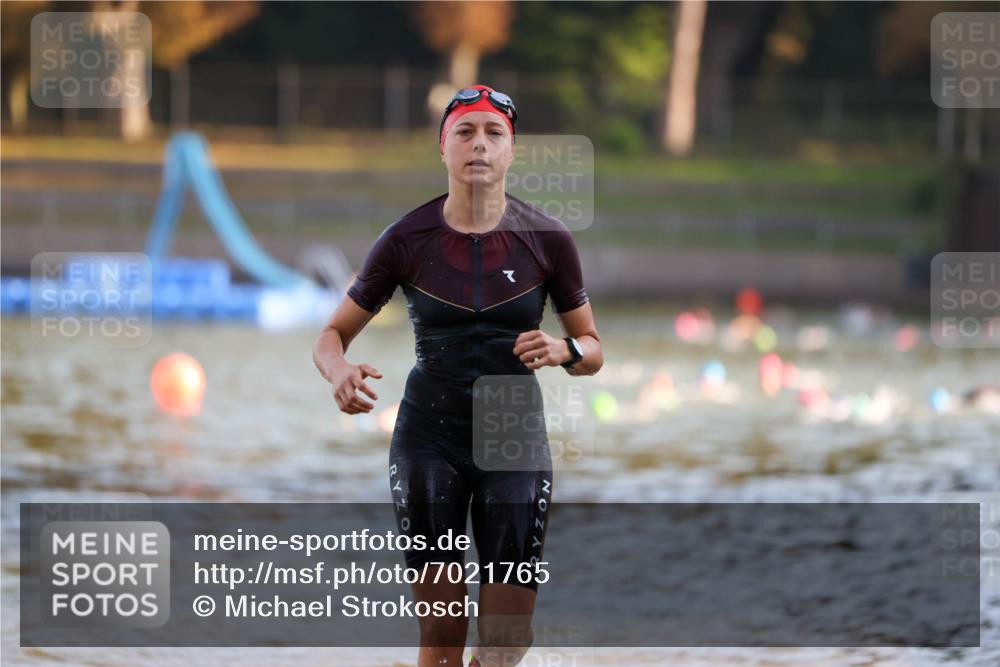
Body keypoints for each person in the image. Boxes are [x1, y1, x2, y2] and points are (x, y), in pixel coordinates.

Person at [313, 84, 603, 667]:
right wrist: (339, 370)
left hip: (513, 439)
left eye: (494, 133)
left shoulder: (549, 239)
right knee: (443, 637)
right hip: (429, 440)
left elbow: (593, 350)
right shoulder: (404, 239)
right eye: (465, 132)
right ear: (442, 148)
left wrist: (562, 348)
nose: (479, 145)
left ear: (512, 151)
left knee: (505, 641)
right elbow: (330, 336)